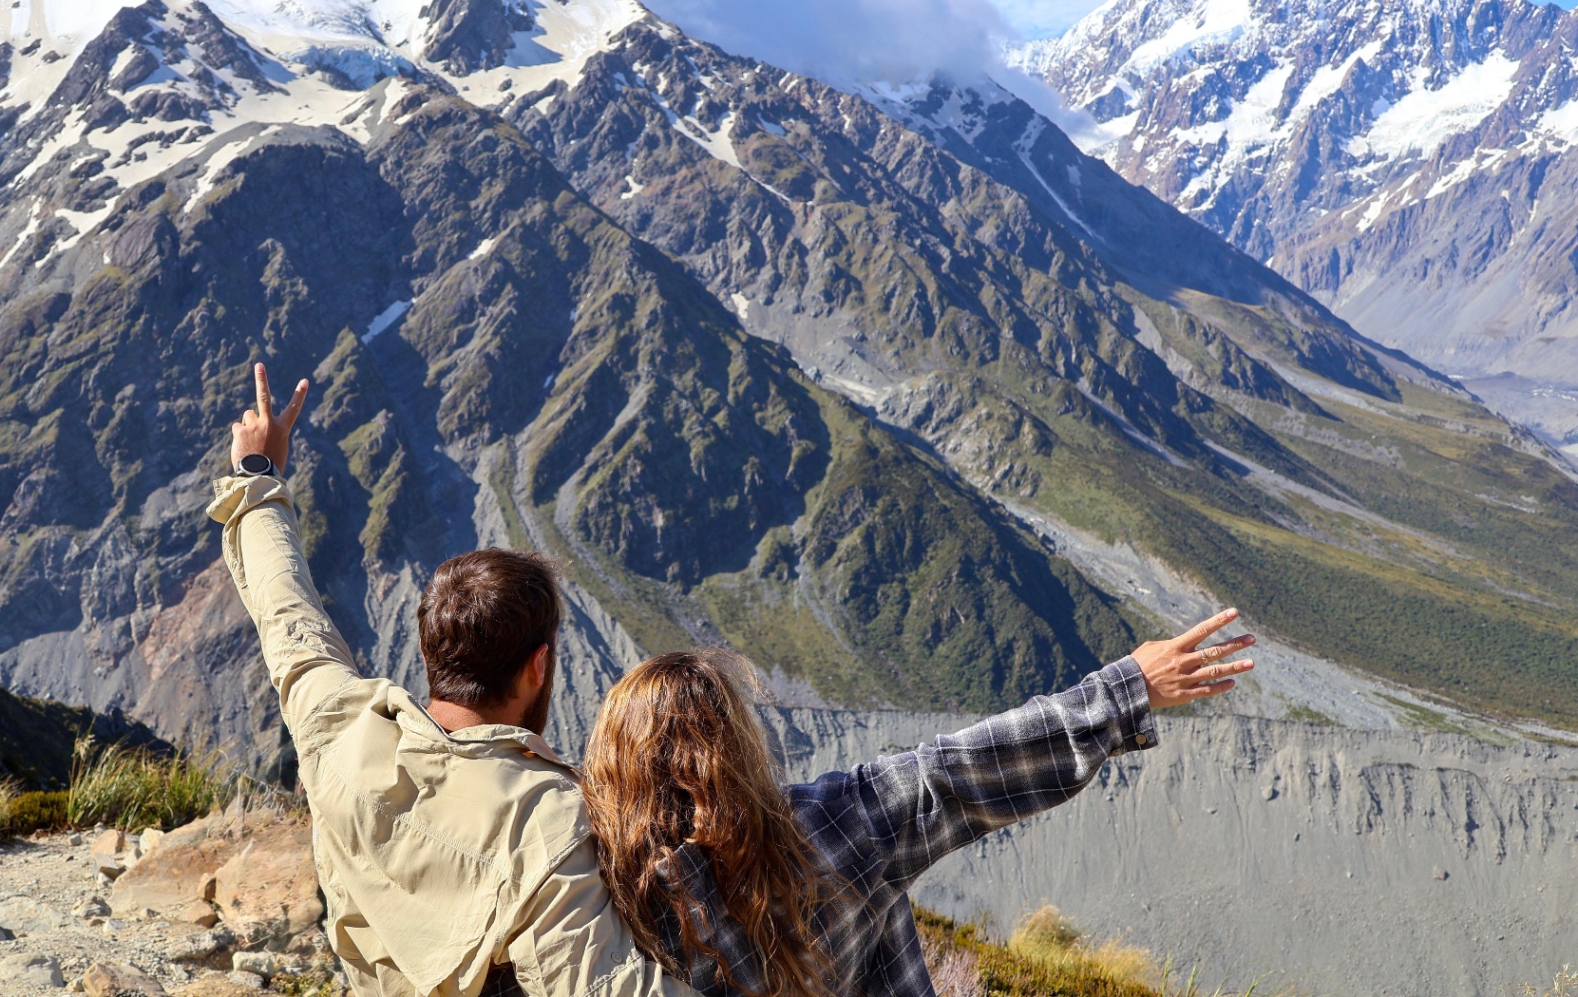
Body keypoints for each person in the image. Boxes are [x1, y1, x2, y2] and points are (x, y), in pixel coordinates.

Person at [209, 364, 696, 997]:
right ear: (539, 666)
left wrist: (258, 476)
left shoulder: (339, 727)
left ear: (431, 649)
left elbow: (286, 615)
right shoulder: (545, 826)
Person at [580, 626, 1256, 997]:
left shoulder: (595, 896)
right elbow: (959, 770)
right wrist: (1124, 689)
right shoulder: (835, 824)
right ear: (738, 746)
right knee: (882, 892)